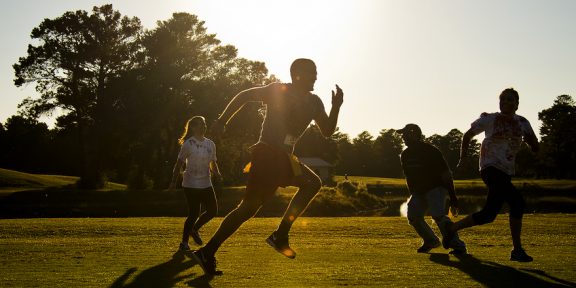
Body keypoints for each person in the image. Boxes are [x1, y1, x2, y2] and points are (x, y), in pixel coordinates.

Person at [192, 58, 344, 275]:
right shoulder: (278, 90)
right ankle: (274, 237)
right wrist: (222, 120)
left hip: (285, 157)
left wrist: (336, 106)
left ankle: (210, 251)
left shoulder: (315, 102)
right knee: (252, 207)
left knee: (256, 205)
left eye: (316, 72)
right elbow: (245, 96)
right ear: (297, 75)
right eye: (312, 72)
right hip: (267, 154)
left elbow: (327, 130)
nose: (316, 77)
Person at [444, 88, 539, 262]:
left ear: (517, 104)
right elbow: (467, 135)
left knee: (489, 214)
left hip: (506, 170)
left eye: (511, 100)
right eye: (503, 100)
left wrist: (532, 144)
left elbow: (535, 144)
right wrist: (463, 158)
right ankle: (517, 250)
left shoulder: (523, 122)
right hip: (490, 168)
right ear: (499, 103)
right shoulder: (490, 119)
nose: (507, 103)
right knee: (517, 202)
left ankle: (452, 229)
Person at [397, 124, 467, 254]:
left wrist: (453, 197)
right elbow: (408, 176)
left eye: (405, 134)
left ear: (414, 135)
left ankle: (458, 245)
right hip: (418, 191)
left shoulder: (430, 151)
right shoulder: (405, 154)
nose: (403, 138)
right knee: (413, 216)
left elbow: (446, 174)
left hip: (436, 188)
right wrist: (413, 193)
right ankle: (431, 241)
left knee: (438, 215)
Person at [169, 116, 222, 252]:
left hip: (206, 182)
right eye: (200, 124)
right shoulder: (188, 144)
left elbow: (213, 162)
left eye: (204, 124)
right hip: (190, 183)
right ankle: (184, 243)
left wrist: (217, 173)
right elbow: (179, 163)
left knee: (212, 211)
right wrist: (173, 181)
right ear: (193, 127)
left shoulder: (211, 144)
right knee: (194, 213)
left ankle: (195, 229)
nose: (204, 126)